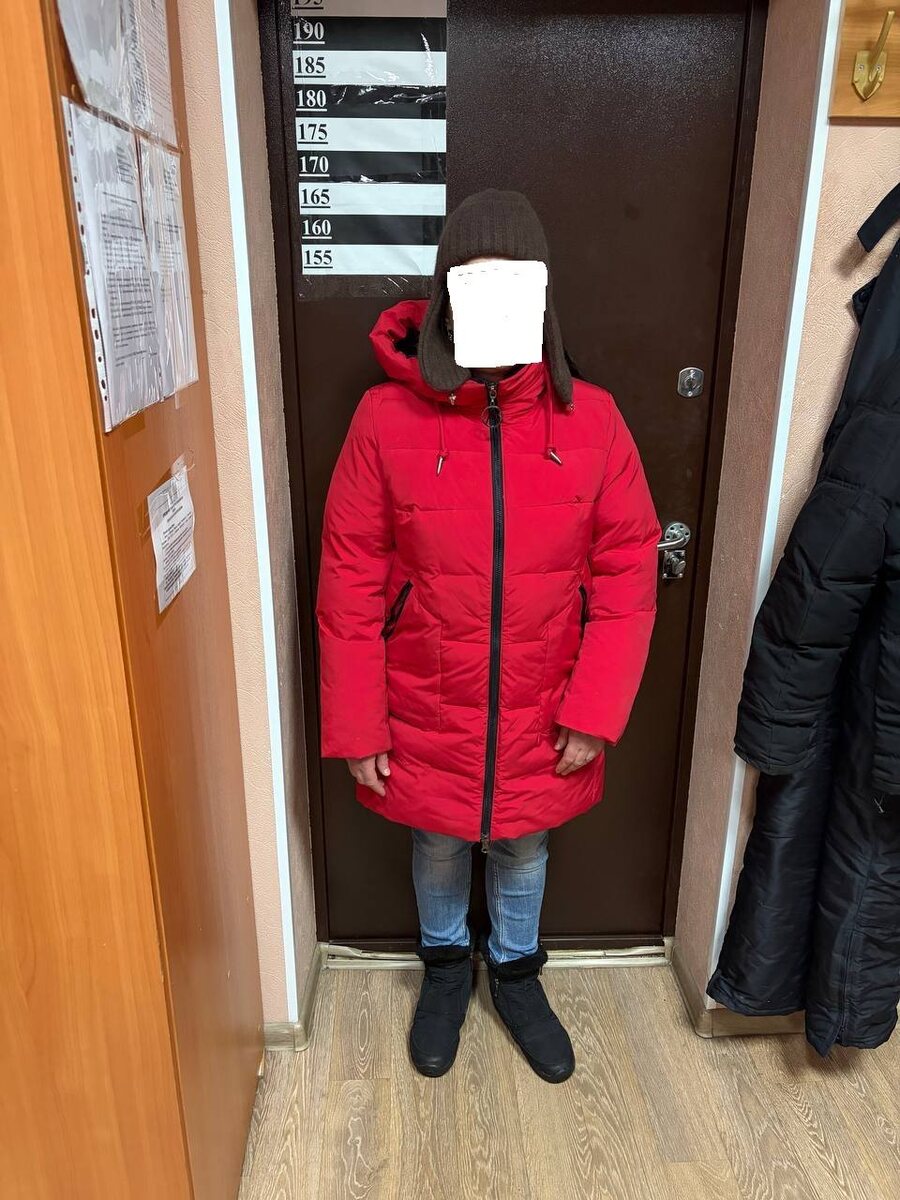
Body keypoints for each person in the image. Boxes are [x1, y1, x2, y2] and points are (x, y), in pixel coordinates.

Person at [316, 189, 660, 1084]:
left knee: (522, 844)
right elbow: (348, 581)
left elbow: (628, 578)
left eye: (515, 281)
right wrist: (358, 725)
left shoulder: (595, 422)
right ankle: (443, 969)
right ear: (447, 297)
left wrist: (596, 710)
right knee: (436, 839)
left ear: (541, 296)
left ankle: (513, 973)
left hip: (545, 700)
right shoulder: (384, 421)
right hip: (425, 698)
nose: (497, 298)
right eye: (476, 280)